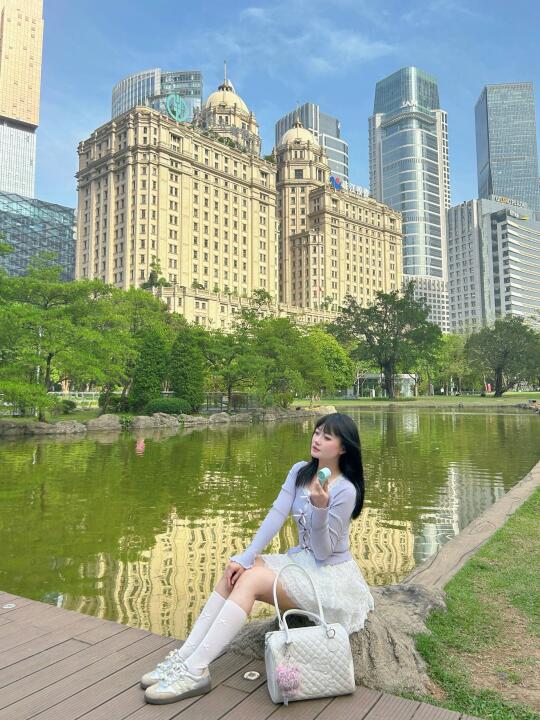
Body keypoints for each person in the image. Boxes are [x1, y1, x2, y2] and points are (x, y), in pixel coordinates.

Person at [142, 412, 375, 704]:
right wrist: (245, 557)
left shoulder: (346, 490)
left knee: (251, 581)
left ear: (342, 448)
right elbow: (276, 514)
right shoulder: (300, 472)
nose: (317, 439)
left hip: (328, 578)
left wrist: (320, 508)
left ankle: (195, 671)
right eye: (317, 432)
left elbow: (323, 552)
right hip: (301, 564)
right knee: (236, 571)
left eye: (327, 437)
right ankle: (185, 656)